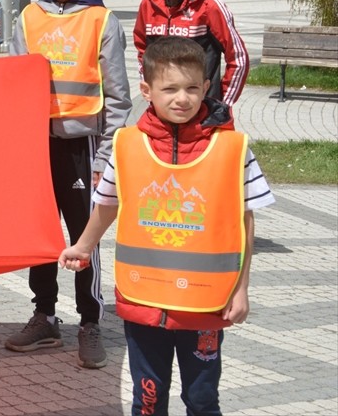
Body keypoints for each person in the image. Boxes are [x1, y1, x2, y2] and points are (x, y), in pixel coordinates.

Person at [59, 37, 274, 416]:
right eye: (170, 88)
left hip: (205, 306)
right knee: (148, 399)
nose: (183, 98)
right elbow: (107, 203)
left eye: (192, 88)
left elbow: (245, 221)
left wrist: (242, 290)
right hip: (143, 300)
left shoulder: (233, 149)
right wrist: (83, 245)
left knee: (203, 398)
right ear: (147, 90)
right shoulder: (126, 145)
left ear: (207, 88)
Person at [5, 0, 132, 369]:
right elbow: (14, 87)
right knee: (41, 234)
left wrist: (104, 158)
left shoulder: (102, 21)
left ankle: (90, 322)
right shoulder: (27, 17)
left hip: (85, 145)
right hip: (39, 146)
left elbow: (119, 98)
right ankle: (44, 316)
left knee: (85, 237)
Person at [134, 0, 249, 108]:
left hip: (203, 115)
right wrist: (153, 96)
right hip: (163, 113)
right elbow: (142, 55)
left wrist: (222, 105)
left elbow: (239, 59)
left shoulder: (209, 6)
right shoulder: (148, 4)